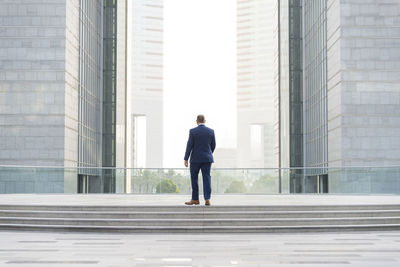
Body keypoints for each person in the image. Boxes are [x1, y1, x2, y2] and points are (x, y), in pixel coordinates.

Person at [184, 114, 216, 206]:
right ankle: (207, 199)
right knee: (207, 178)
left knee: (194, 178)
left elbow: (189, 145)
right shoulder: (211, 131)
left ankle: (195, 199)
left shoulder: (193, 131)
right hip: (207, 158)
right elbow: (213, 145)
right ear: (204, 121)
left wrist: (186, 158)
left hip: (195, 159)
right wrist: (208, 153)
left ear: (197, 121)